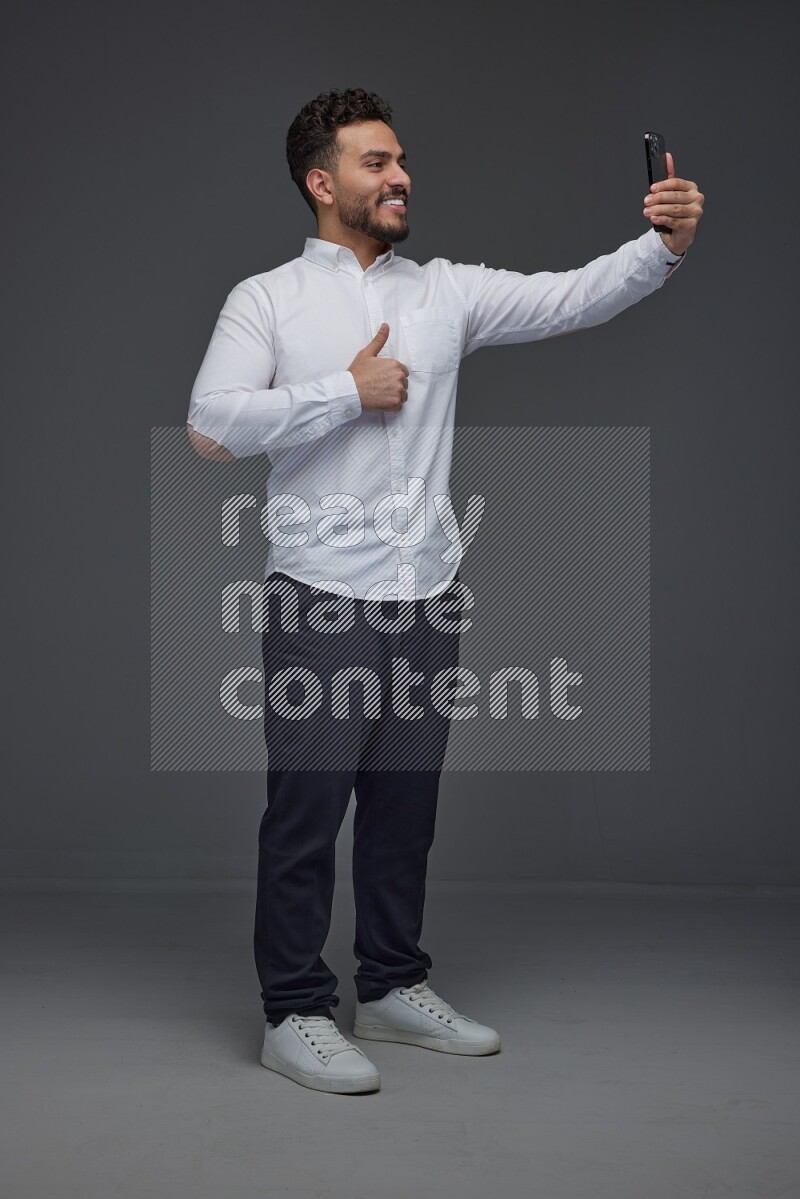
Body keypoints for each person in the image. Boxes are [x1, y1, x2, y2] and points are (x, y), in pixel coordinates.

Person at [186, 88, 704, 1095]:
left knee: (401, 809)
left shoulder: (444, 292)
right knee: (305, 812)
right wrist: (345, 390)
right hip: (319, 598)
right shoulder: (269, 300)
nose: (400, 177)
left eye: (401, 160)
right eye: (376, 162)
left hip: (424, 598)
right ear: (320, 180)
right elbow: (211, 426)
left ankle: (387, 986)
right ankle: (292, 1008)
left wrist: (663, 249)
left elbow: (573, 295)